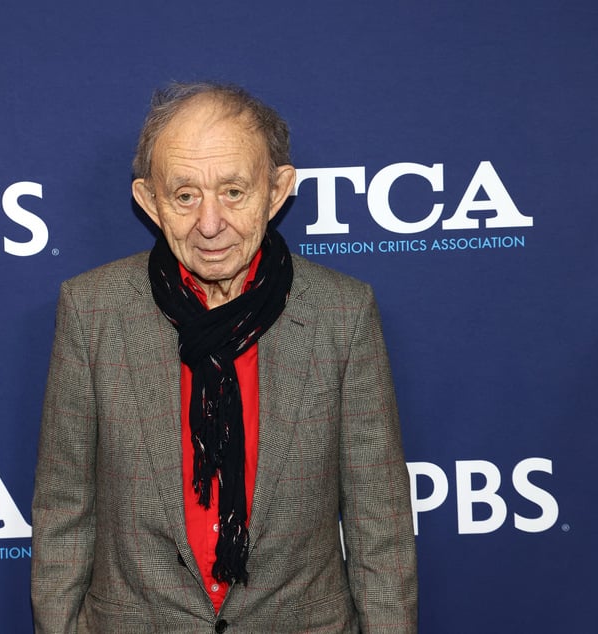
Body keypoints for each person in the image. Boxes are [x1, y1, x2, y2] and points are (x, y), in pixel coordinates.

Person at [31, 81, 417, 633]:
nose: (210, 224)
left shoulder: (342, 313)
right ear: (149, 201)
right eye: (185, 195)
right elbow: (64, 508)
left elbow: (379, 524)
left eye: (233, 192)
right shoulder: (92, 311)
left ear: (277, 190)